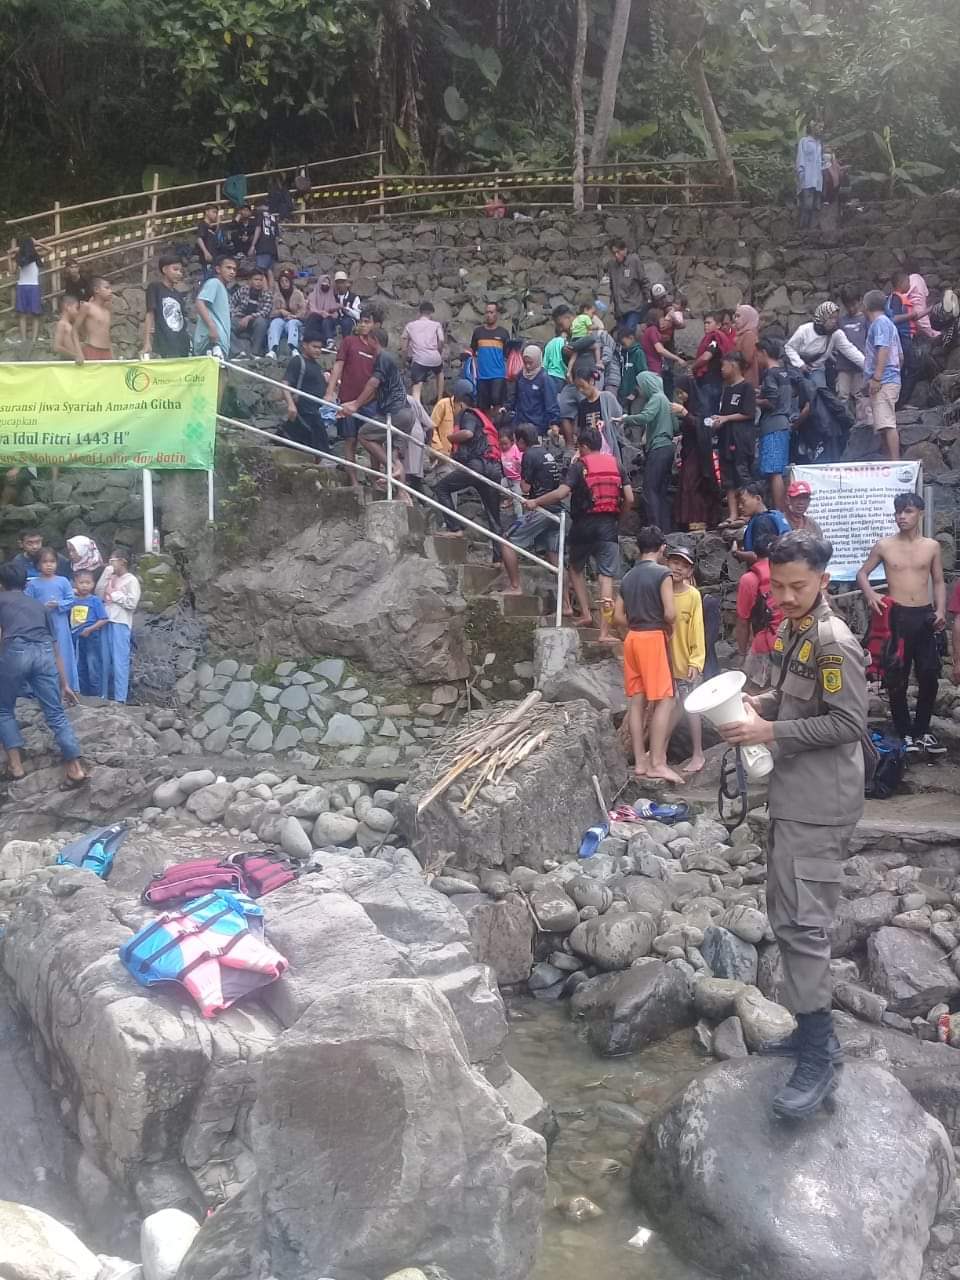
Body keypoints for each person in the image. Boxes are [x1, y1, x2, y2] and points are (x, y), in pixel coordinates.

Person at [718, 530, 867, 1119]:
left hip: (821, 803)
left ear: (824, 581)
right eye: (776, 586)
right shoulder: (794, 629)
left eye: (796, 586)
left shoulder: (834, 642)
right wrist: (765, 706)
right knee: (785, 913)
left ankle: (821, 1053)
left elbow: (849, 723)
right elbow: (797, 698)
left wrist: (769, 733)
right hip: (793, 796)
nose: (782, 596)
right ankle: (808, 1034)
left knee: (805, 924)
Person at [856, 491, 946, 754]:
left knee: (929, 674)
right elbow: (863, 573)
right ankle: (905, 732)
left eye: (907, 511)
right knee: (897, 675)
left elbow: (938, 581)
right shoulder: (885, 545)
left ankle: (922, 730)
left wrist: (941, 610)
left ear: (920, 513)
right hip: (897, 616)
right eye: (898, 512)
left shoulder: (931, 546)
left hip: (924, 615)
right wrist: (871, 593)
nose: (901, 517)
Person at [528, 427, 634, 642]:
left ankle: (585, 613)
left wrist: (535, 502)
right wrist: (619, 519)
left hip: (583, 526)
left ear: (584, 446)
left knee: (575, 569)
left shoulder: (579, 466)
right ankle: (604, 633)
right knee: (606, 578)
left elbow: (561, 493)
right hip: (608, 526)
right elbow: (630, 498)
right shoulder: (617, 464)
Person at [0, 561, 87, 788]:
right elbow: (55, 645)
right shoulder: (39, 606)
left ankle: (16, 767)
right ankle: (76, 770)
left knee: (3, 709)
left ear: (2, 584)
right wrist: (64, 683)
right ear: (24, 583)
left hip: (15, 650)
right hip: (45, 653)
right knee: (56, 713)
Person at [613, 525, 683, 783]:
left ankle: (641, 761)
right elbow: (670, 613)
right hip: (653, 638)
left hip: (632, 639)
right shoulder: (662, 573)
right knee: (666, 699)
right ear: (662, 548)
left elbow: (618, 616)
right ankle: (657, 762)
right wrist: (669, 626)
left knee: (637, 700)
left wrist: (633, 626)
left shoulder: (628, 577)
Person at [342, 329, 417, 485]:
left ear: (374, 340)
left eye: (367, 339)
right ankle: (403, 495)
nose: (365, 343)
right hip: (407, 413)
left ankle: (391, 468)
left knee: (364, 435)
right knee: (393, 454)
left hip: (395, 412)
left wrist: (355, 405)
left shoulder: (382, 357)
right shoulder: (391, 359)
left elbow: (373, 384)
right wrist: (355, 403)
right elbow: (376, 393)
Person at [434, 379, 504, 541]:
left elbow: (467, 434)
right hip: (494, 469)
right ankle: (498, 559)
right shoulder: (483, 417)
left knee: (441, 488)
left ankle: (455, 528)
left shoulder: (467, 414)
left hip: (477, 466)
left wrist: (450, 437)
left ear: (459, 402)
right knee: (494, 516)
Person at [499, 424, 564, 594]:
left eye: (516, 441)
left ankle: (515, 586)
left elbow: (525, 488)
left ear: (521, 440)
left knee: (506, 541)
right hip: (557, 511)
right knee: (554, 556)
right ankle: (566, 604)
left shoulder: (529, 455)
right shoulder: (546, 453)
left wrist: (520, 472)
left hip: (541, 509)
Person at [664, 543, 707, 774]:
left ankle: (698, 753)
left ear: (690, 572)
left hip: (685, 661)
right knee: (671, 707)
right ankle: (660, 749)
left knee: (690, 708)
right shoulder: (662, 590)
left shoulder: (693, 596)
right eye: (674, 562)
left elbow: (697, 629)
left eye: (684, 565)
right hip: (664, 661)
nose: (678, 568)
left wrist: (696, 661)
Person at [328, 305, 381, 488]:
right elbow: (338, 366)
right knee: (350, 440)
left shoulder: (377, 349)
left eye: (367, 322)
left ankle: (375, 480)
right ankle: (353, 481)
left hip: (370, 402)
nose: (363, 325)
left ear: (376, 325)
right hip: (347, 399)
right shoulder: (349, 341)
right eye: (361, 321)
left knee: (373, 440)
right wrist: (329, 392)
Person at [619, 371, 678, 532]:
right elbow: (675, 425)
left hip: (658, 448)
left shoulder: (656, 398)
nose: (639, 388)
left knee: (649, 489)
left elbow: (646, 417)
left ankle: (654, 528)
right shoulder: (665, 399)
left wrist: (626, 419)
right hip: (668, 448)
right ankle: (664, 529)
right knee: (661, 491)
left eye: (640, 384)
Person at [735, 528, 784, 692]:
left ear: (754, 554)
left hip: (765, 644)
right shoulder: (789, 572)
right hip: (793, 641)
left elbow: (742, 620)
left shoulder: (749, 579)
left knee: (753, 695)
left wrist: (742, 654)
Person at [25, 547, 78, 691]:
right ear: (37, 564)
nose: (49, 565)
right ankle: (44, 689)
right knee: (44, 655)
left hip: (60, 623)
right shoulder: (32, 584)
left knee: (63, 653)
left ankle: (67, 687)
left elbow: (71, 600)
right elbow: (27, 604)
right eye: (45, 562)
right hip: (41, 625)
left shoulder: (63, 581)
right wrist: (42, 607)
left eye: (52, 561)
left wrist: (58, 604)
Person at [672, 374, 719, 531]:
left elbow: (704, 428)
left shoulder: (701, 405)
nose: (680, 397)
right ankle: (689, 521)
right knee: (687, 484)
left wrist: (685, 414)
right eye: (677, 393)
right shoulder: (689, 405)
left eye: (681, 393)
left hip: (700, 453)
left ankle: (700, 520)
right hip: (689, 451)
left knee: (693, 484)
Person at [714, 351, 757, 523]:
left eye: (724, 366)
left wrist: (726, 418)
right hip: (725, 438)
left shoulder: (747, 387)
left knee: (742, 475)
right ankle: (732, 515)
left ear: (733, 365)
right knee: (728, 478)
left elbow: (749, 413)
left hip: (741, 439)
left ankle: (747, 513)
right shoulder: (726, 390)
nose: (722, 370)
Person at [96, 550, 141, 704]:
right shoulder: (110, 577)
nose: (110, 564)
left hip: (121, 623)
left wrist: (115, 595)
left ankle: (120, 698)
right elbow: (99, 595)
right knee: (104, 660)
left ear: (123, 561)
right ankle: (103, 695)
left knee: (119, 661)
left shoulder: (131, 580)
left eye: (113, 561)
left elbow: (132, 603)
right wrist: (105, 577)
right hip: (106, 621)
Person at [863, 288, 903, 461]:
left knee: (887, 424)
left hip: (884, 381)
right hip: (891, 378)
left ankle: (895, 464)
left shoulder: (879, 323)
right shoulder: (889, 324)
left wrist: (877, 377)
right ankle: (889, 461)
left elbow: (883, 349)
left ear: (866, 306)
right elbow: (900, 356)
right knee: (883, 424)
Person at [755, 336, 793, 510]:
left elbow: (772, 400)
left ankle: (779, 511)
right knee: (779, 470)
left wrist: (755, 400)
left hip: (773, 425)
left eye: (758, 355)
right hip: (784, 424)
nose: (756, 360)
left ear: (763, 353)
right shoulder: (784, 372)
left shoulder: (770, 374)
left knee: (774, 471)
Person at [282, 325, 331, 452]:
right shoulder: (298, 361)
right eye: (315, 347)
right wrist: (291, 405)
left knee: (318, 448)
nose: (318, 350)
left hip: (314, 412)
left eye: (320, 348)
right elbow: (285, 383)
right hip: (302, 411)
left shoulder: (317, 366)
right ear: (304, 345)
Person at [573, 361, 625, 465]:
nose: (581, 390)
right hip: (590, 453)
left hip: (609, 449)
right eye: (578, 387)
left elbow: (619, 422)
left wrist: (607, 426)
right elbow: (581, 430)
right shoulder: (582, 405)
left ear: (591, 381)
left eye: (582, 386)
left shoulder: (607, 398)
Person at [69, 569, 109, 698]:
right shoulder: (72, 600)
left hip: (91, 637)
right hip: (76, 638)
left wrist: (90, 629)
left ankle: (96, 695)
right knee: (79, 666)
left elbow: (104, 619)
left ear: (93, 584)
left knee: (93, 666)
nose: (85, 586)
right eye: (81, 583)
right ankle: (82, 694)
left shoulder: (95, 600)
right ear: (75, 583)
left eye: (88, 583)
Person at [543, 305, 580, 443]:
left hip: (550, 377)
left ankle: (555, 429)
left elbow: (544, 365)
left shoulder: (549, 343)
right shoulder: (565, 343)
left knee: (555, 405)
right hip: (562, 377)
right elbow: (566, 362)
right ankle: (571, 438)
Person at [143, 253, 190, 359]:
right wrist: (147, 342)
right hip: (165, 343)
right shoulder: (155, 288)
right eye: (175, 269)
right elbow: (150, 314)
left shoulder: (178, 294)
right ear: (164, 270)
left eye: (181, 271)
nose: (179, 273)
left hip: (183, 345)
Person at [734, 483, 791, 567]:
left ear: (758, 498)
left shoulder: (761, 522)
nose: (740, 506)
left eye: (743, 502)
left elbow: (760, 557)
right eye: (738, 503)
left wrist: (737, 553)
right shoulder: (772, 515)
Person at [510, 345, 561, 437]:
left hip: (537, 425)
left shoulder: (544, 379)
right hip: (520, 422)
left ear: (537, 361)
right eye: (525, 363)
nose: (528, 366)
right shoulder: (520, 376)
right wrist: (507, 407)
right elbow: (514, 396)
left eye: (530, 363)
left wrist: (554, 422)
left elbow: (551, 403)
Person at [469, 303, 511, 411]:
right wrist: (475, 372)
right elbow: (473, 352)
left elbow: (507, 355)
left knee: (497, 402)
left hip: (498, 375)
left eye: (491, 312)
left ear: (496, 314)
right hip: (482, 376)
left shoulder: (503, 333)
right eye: (487, 312)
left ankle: (497, 426)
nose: (488, 315)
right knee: (482, 407)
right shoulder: (478, 332)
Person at [193, 255, 237, 358]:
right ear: (218, 269)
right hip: (211, 343)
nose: (232, 272)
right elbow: (199, 302)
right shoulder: (214, 283)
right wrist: (212, 327)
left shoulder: (223, 289)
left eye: (234, 269)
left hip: (218, 343)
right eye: (228, 268)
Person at [402, 300, 445, 403]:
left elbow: (403, 340)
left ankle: (417, 406)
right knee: (440, 373)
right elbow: (442, 339)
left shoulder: (410, 325)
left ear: (419, 312)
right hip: (435, 358)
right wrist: (439, 351)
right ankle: (439, 399)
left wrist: (405, 357)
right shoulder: (436, 324)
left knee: (417, 384)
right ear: (431, 313)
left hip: (420, 359)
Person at [836, 286, 869, 418]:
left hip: (860, 365)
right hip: (843, 365)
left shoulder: (865, 320)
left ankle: (861, 423)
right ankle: (844, 423)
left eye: (853, 304)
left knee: (859, 394)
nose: (851, 309)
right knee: (842, 394)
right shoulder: (841, 321)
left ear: (860, 301)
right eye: (847, 305)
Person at [692, 310, 735, 410]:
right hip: (714, 382)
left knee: (707, 412)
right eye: (705, 323)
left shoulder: (715, 338)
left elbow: (706, 356)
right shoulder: (712, 338)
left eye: (709, 323)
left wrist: (693, 367)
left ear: (718, 325)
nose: (706, 326)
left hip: (710, 381)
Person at [608, 240, 649, 336]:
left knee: (628, 333)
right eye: (614, 253)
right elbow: (612, 285)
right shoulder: (611, 264)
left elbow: (644, 281)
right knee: (620, 336)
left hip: (633, 305)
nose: (617, 255)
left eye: (618, 252)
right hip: (619, 308)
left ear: (625, 250)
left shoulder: (634, 260)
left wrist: (647, 301)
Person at [230, 266, 273, 356]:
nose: (259, 282)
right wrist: (234, 314)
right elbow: (231, 303)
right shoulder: (243, 290)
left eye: (261, 280)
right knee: (226, 324)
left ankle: (255, 352)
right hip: (240, 318)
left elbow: (265, 312)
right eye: (256, 279)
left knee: (261, 322)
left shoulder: (267, 294)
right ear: (250, 280)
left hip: (255, 320)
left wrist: (249, 317)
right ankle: (238, 351)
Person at [267, 267, 306, 359]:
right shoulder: (277, 295)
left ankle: (293, 349)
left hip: (296, 321)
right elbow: (272, 313)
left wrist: (294, 316)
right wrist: (280, 311)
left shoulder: (298, 294)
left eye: (286, 281)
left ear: (290, 282)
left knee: (292, 323)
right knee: (275, 322)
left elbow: (303, 311)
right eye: (282, 281)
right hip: (282, 320)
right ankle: (273, 350)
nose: (284, 284)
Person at [641, 309, 687, 381]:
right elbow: (660, 350)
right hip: (653, 367)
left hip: (654, 366)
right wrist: (678, 359)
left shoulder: (652, 330)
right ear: (656, 319)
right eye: (662, 318)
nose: (663, 321)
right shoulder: (652, 330)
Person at [796, 120, 826, 229]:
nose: (821, 130)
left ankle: (811, 233)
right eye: (820, 127)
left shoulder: (819, 144)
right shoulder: (804, 141)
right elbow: (800, 158)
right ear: (813, 128)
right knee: (807, 206)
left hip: (817, 179)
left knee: (815, 207)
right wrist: (801, 174)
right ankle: (802, 230)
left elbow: (819, 162)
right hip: (807, 178)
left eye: (823, 128)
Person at [13, 237, 42, 345]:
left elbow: (12, 271)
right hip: (34, 287)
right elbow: (50, 250)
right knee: (35, 315)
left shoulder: (19, 257)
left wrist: (8, 256)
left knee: (22, 315)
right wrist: (38, 243)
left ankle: (24, 339)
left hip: (22, 287)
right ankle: (34, 340)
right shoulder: (35, 256)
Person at [77, 278, 114, 360]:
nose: (110, 291)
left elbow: (107, 333)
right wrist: (79, 353)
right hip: (92, 350)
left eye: (110, 288)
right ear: (97, 290)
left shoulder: (107, 310)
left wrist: (112, 354)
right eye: (107, 288)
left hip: (107, 352)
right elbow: (74, 330)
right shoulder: (87, 306)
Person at [618, 324, 648, 413]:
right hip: (624, 396)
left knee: (635, 420)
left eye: (623, 343)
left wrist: (635, 392)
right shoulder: (624, 355)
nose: (622, 346)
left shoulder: (638, 353)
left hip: (637, 395)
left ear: (631, 338)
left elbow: (643, 374)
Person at [249, 202, 281, 285]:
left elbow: (258, 229)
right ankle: (271, 292)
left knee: (260, 272)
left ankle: (263, 292)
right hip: (273, 249)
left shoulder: (260, 215)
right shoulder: (273, 217)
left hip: (263, 247)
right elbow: (277, 237)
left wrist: (253, 246)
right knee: (269, 271)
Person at [306, 274, 340, 345]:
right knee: (313, 317)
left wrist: (331, 312)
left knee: (327, 320)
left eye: (328, 283)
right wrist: (321, 313)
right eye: (324, 282)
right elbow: (312, 309)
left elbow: (335, 313)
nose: (326, 284)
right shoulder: (312, 295)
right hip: (316, 318)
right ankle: (311, 340)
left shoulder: (331, 296)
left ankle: (329, 341)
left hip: (328, 319)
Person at [499, 424, 523, 517]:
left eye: (505, 444)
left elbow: (521, 462)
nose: (503, 446)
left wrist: (518, 464)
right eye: (501, 444)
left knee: (517, 500)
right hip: (507, 478)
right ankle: (509, 499)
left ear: (512, 442)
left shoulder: (515, 449)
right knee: (496, 486)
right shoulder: (501, 450)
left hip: (517, 479)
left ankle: (519, 518)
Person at [733, 304, 760, 388]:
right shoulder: (742, 334)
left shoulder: (749, 335)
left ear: (747, 317)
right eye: (735, 316)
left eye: (739, 316)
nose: (735, 320)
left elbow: (746, 359)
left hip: (746, 380)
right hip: (739, 379)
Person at [331, 271, 361, 345]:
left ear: (346, 284)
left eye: (342, 282)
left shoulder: (354, 297)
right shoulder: (332, 297)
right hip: (337, 319)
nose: (339, 285)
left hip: (349, 320)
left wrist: (346, 309)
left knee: (346, 322)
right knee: (327, 321)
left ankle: (346, 344)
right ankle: (329, 342)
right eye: (338, 283)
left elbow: (358, 315)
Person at [52, 295, 84, 363]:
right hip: (68, 363)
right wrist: (75, 356)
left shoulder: (70, 325)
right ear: (68, 307)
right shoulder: (62, 324)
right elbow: (57, 347)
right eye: (76, 308)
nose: (78, 311)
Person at [196, 205, 225, 279]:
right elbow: (199, 238)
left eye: (216, 213)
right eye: (214, 212)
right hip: (207, 258)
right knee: (208, 278)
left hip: (213, 257)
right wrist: (206, 252)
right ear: (206, 212)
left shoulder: (210, 226)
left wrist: (219, 220)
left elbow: (217, 229)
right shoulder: (202, 225)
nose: (215, 215)